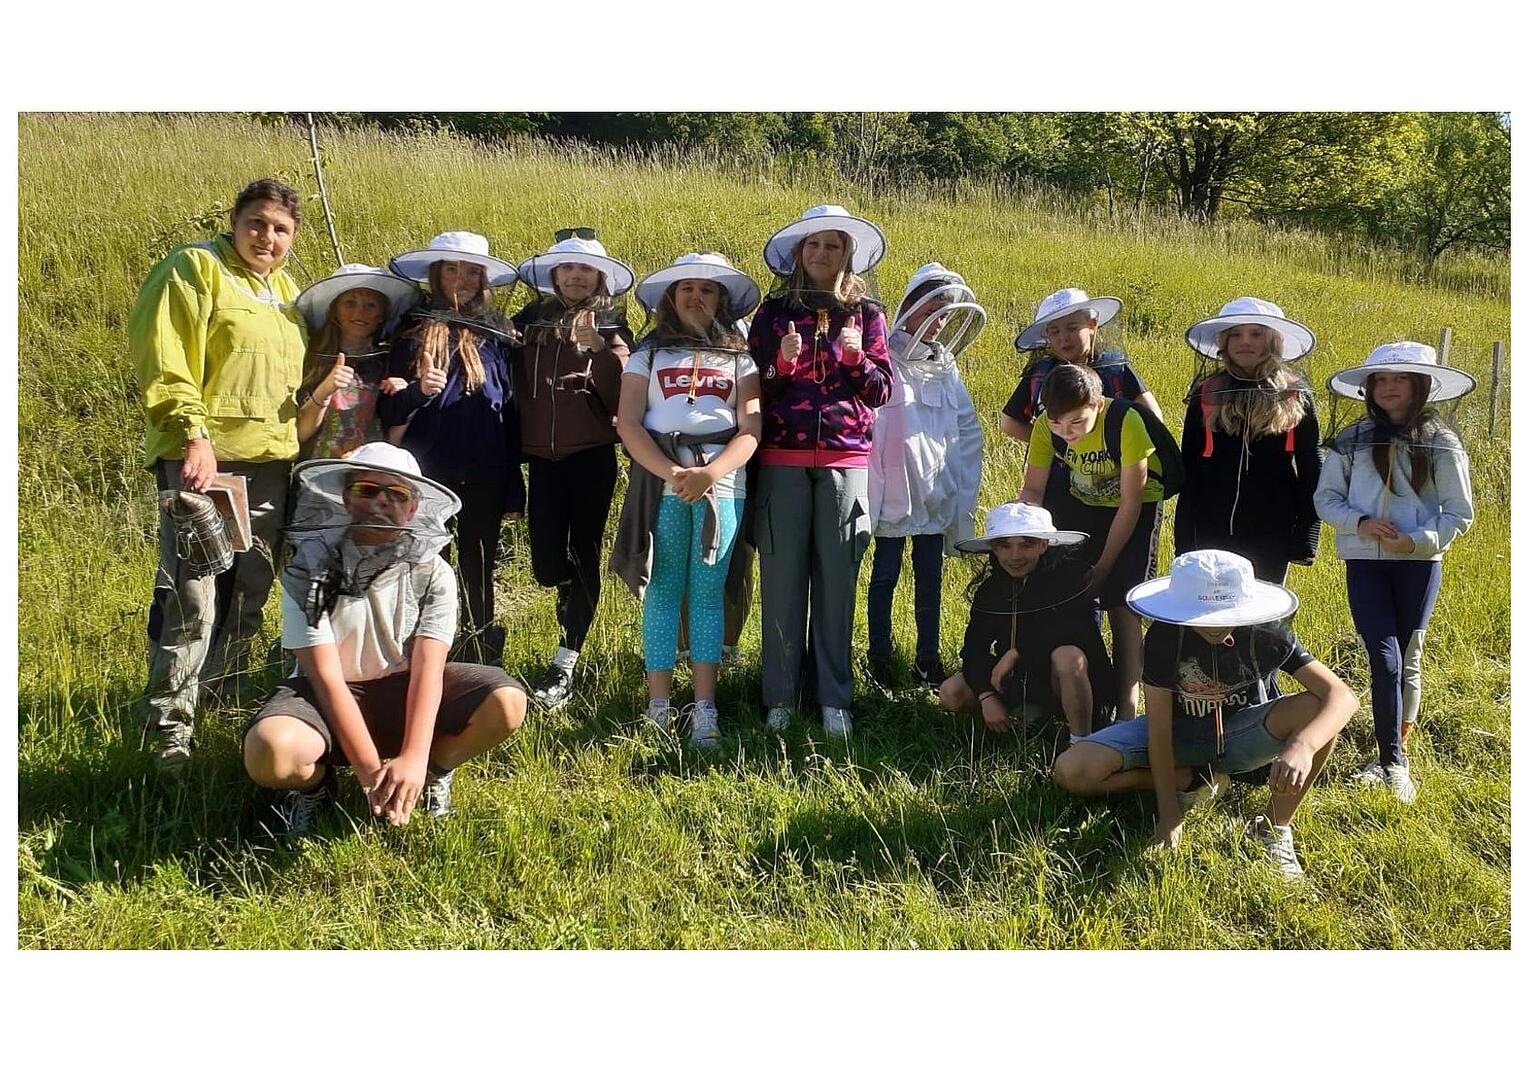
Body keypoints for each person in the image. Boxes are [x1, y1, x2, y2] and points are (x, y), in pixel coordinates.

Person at [243, 442, 528, 837]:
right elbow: (327, 680)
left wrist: (415, 758)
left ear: (413, 507)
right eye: (367, 489)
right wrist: (370, 777)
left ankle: (431, 774)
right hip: (324, 699)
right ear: (346, 498)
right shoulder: (309, 568)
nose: (381, 501)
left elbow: (428, 670)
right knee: (268, 751)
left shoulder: (434, 572)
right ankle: (315, 789)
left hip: (402, 691)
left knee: (507, 702)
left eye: (396, 493)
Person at [130, 177, 308, 768]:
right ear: (234, 221)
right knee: (192, 594)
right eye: (256, 222)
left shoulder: (286, 292)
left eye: (280, 229)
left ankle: (222, 700)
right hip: (205, 462)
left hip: (270, 465)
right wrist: (193, 435)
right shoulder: (195, 268)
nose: (267, 236)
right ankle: (168, 728)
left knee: (249, 589)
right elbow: (165, 354)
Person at [1052, 549, 1358, 880]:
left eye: (1224, 616)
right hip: (1179, 735)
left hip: (1243, 733)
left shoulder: (1268, 632)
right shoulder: (1163, 639)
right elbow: (1159, 733)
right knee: (1072, 769)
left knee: (1319, 713)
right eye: (1201, 616)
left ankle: (1273, 827)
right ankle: (1191, 780)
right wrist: (1169, 816)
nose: (1214, 626)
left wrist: (1303, 746)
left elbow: (1342, 697)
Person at [748, 205, 893, 738]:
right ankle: (780, 698)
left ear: (847, 254)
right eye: (813, 244)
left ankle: (834, 698)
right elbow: (752, 389)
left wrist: (857, 362)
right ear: (798, 253)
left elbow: (882, 391)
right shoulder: (772, 313)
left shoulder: (868, 314)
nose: (822, 253)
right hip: (780, 460)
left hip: (843, 459)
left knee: (837, 587)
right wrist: (780, 367)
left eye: (833, 245)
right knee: (782, 585)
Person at [609, 253, 762, 746]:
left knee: (707, 592)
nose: (697, 296)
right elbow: (628, 421)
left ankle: (704, 709)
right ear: (671, 298)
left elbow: (751, 428)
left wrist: (712, 472)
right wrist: (673, 473)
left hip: (723, 485)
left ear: (722, 299)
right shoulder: (647, 355)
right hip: (662, 482)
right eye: (687, 288)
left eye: (707, 289)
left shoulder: (740, 358)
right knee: (663, 587)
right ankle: (658, 706)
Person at [1315, 342, 1475, 804]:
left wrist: (1417, 540)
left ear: (1420, 385)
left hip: (1419, 564)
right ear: (1368, 388)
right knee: (1384, 657)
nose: (1388, 387)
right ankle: (1392, 763)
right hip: (1364, 561)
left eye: (1399, 378)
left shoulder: (1441, 442)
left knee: (1408, 655)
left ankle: (1396, 749)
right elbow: (1326, 499)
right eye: (1380, 379)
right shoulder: (1351, 439)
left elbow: (1459, 512)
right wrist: (1360, 523)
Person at [379, 231, 525, 665]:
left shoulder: (497, 336)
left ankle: (478, 650)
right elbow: (390, 411)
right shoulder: (411, 332)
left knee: (478, 565)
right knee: (425, 564)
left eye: (472, 271)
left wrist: (513, 485)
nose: (462, 278)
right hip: (428, 473)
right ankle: (424, 653)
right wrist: (418, 391)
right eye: (451, 269)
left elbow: (508, 413)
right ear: (435, 274)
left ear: (483, 279)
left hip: (485, 471)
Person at [511, 232, 637, 709]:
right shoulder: (528, 323)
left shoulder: (614, 326)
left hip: (590, 457)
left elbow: (622, 398)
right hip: (542, 461)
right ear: (554, 274)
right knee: (546, 564)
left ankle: (566, 659)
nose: (576, 276)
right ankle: (566, 589)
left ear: (599, 277)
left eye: (585, 269)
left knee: (583, 553)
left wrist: (600, 351)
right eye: (567, 268)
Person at [1018, 363, 1168, 720]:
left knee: (1122, 601)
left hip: (1136, 507)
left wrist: (1102, 568)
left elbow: (1131, 504)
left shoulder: (1126, 422)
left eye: (1076, 422)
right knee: (1072, 587)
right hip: (1085, 503)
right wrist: (1022, 528)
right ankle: (1087, 691)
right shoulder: (1046, 427)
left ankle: (1127, 712)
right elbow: (1033, 490)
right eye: (1057, 423)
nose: (1066, 432)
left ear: (1098, 405)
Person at [866, 262, 985, 690]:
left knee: (929, 582)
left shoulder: (945, 366)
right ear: (910, 308)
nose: (938, 323)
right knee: (884, 577)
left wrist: (959, 488)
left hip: (934, 494)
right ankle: (879, 658)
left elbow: (967, 428)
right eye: (932, 311)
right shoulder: (885, 357)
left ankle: (928, 659)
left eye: (945, 315)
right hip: (894, 493)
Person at [1176, 297, 1321, 585]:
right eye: (1236, 335)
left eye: (1256, 334)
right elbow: (1189, 469)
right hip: (1209, 526)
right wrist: (1184, 538)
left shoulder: (1294, 394)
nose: (1246, 342)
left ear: (1273, 341)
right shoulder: (1207, 393)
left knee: (1263, 608)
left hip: (1272, 529)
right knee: (1210, 605)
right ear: (1223, 342)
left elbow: (1311, 466)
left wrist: (1307, 534)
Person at [939, 503, 1112, 741]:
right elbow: (973, 650)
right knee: (951, 691)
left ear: (1043, 545)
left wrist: (1018, 652)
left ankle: (1081, 741)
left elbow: (1079, 634)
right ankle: (1019, 721)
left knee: (1068, 657)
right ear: (993, 548)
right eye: (1005, 546)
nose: (1015, 556)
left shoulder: (1070, 578)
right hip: (1017, 682)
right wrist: (986, 695)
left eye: (1026, 545)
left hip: (1065, 681)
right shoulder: (990, 590)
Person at [999, 287, 1161, 525]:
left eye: (1072, 328)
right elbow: (1009, 423)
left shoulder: (1115, 369)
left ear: (1092, 325)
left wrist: (1123, 448)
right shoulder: (1040, 375)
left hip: (1116, 482)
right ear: (1046, 336)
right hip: (1056, 482)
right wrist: (1057, 443)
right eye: (1055, 331)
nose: (1064, 338)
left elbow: (1153, 416)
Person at [292, 263, 420, 459]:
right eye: (350, 303)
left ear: (382, 315)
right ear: (335, 310)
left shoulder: (389, 362)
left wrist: (403, 397)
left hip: (368, 470)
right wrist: (324, 390)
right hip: (316, 469)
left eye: (370, 305)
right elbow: (300, 433)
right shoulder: (311, 357)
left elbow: (394, 438)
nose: (360, 313)